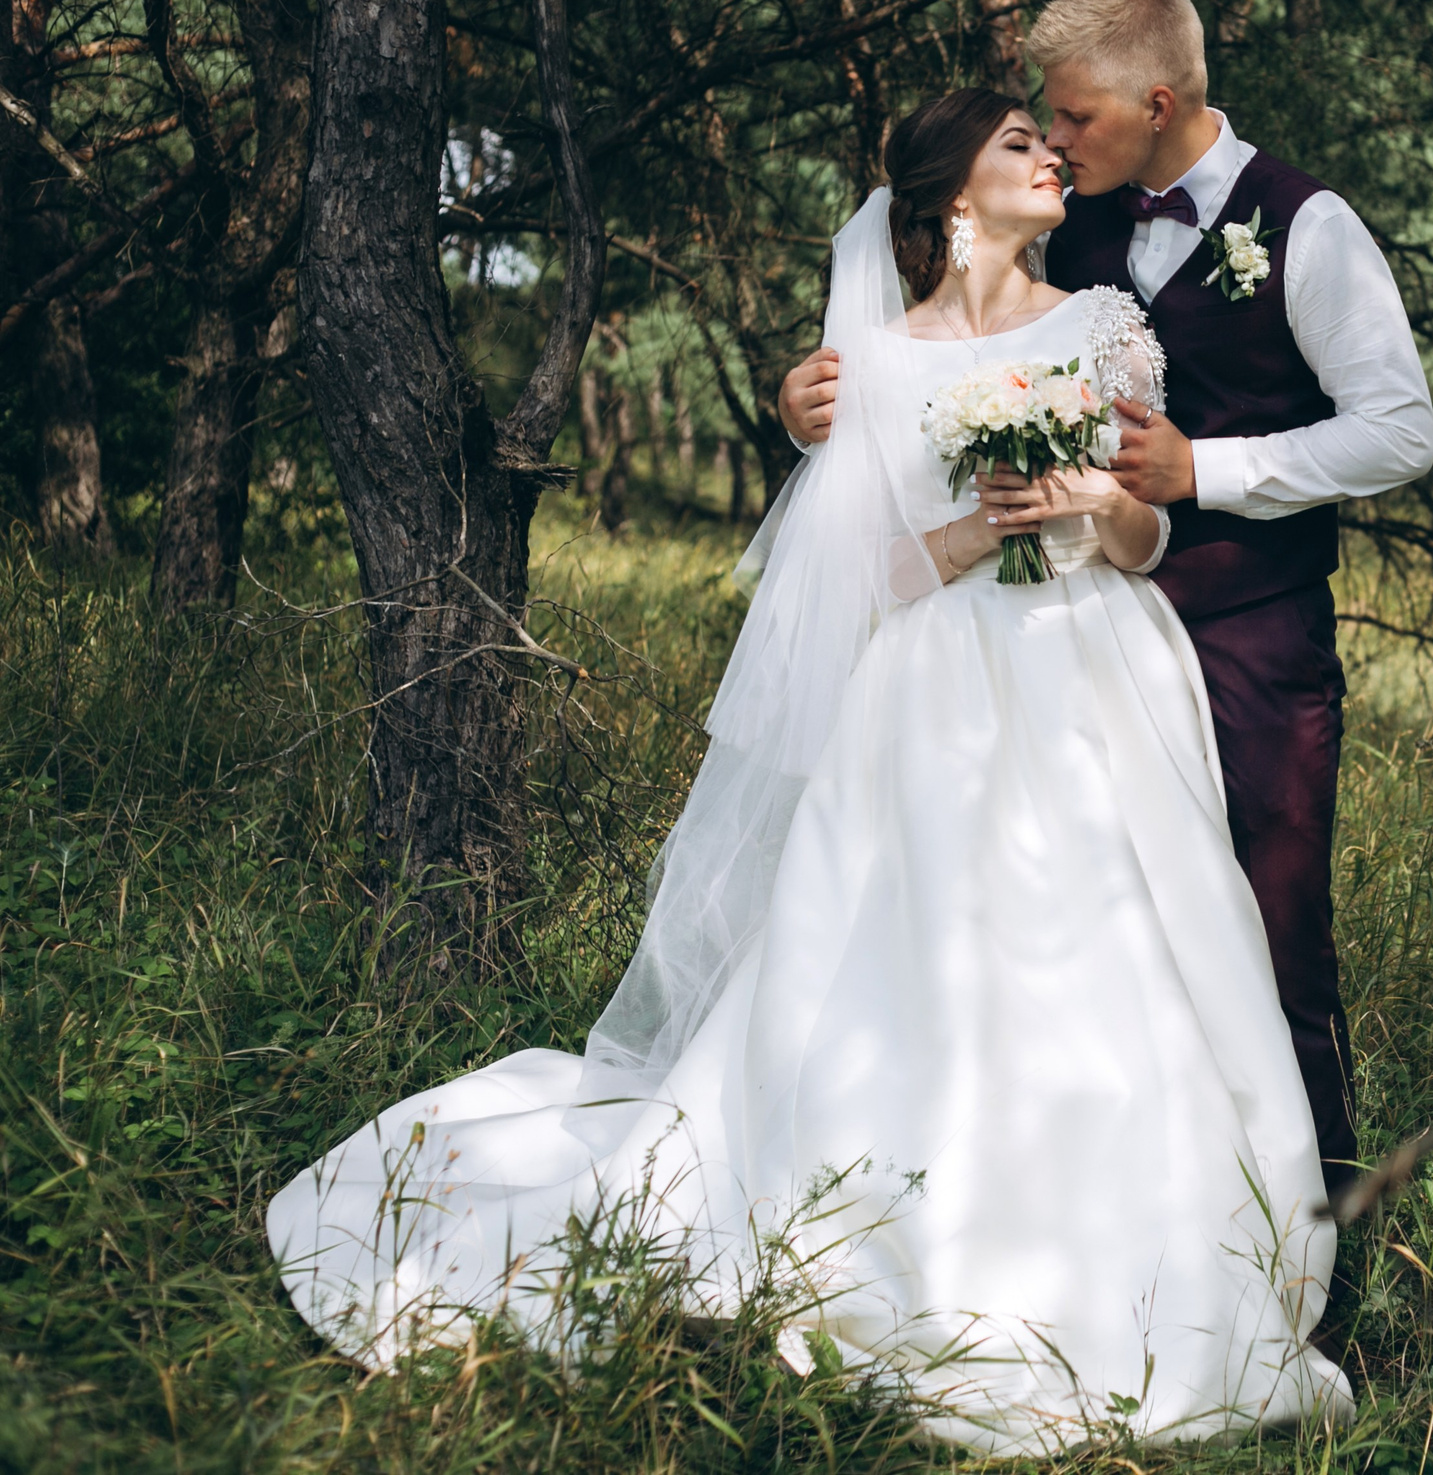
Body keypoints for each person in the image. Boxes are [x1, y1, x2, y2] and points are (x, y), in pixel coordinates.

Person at [268, 89, 1352, 1452]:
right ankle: (899, 1240)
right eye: (1019, 142)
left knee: (1124, 953)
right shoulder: (868, 363)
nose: (1049, 158)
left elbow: (1145, 536)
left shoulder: (1102, 327)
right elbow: (862, 577)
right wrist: (976, 529)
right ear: (954, 193)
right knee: (918, 960)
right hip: (936, 692)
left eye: (1047, 141)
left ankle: (1161, 1256)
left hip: (1101, 671)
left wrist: (1087, 502)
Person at [781, 0, 1433, 1201]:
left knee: (1265, 923)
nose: (1057, 141)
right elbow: (938, 327)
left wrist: (1206, 470)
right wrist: (808, 403)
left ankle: (1316, 1213)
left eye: (1072, 118)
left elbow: (1398, 432)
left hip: (1243, 629)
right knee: (1068, 940)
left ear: (1154, 98)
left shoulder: (1308, 226)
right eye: (1043, 125)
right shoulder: (1063, 214)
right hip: (1053, 635)